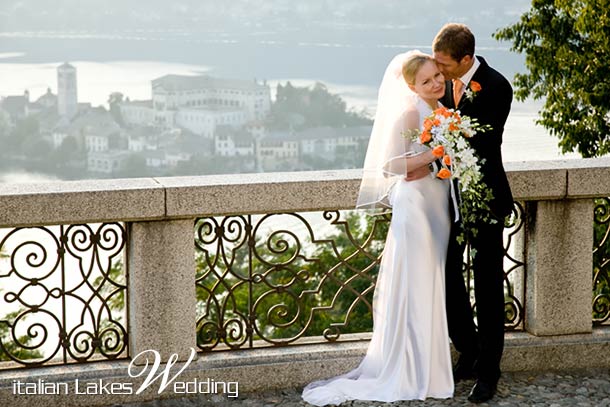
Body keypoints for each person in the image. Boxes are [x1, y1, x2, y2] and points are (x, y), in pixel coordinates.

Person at [302, 51, 454, 406]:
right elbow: (389, 165)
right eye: (427, 80)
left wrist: (445, 156)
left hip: (436, 204)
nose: (436, 83)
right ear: (411, 86)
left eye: (437, 76)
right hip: (414, 206)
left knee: (431, 283)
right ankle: (409, 370)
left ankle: (430, 370)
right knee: (414, 284)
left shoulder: (442, 111)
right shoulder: (411, 111)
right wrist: (434, 155)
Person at [432, 23, 514, 404]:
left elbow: (484, 138)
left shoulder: (497, 86)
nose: (439, 69)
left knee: (486, 284)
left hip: (486, 198)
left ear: (465, 59)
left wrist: (445, 126)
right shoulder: (442, 83)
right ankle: (468, 348)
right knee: (447, 273)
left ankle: (489, 371)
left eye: (444, 63)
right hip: (449, 197)